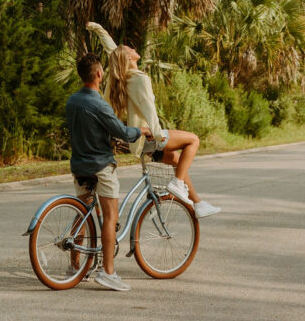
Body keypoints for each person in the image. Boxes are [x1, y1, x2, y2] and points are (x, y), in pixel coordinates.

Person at [87, 21, 221, 220]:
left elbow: (111, 48)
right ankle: (176, 185)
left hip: (137, 140)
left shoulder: (121, 75)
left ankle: (197, 204)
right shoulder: (140, 79)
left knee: (176, 160)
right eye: (130, 48)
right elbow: (150, 112)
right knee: (193, 140)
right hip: (148, 136)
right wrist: (159, 136)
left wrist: (97, 28)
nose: (133, 47)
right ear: (130, 57)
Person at [66, 52, 152, 292]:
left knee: (81, 212)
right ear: (99, 74)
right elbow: (122, 132)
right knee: (109, 216)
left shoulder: (72, 101)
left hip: (79, 165)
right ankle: (108, 272)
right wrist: (142, 131)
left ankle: (74, 267)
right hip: (100, 166)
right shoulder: (99, 103)